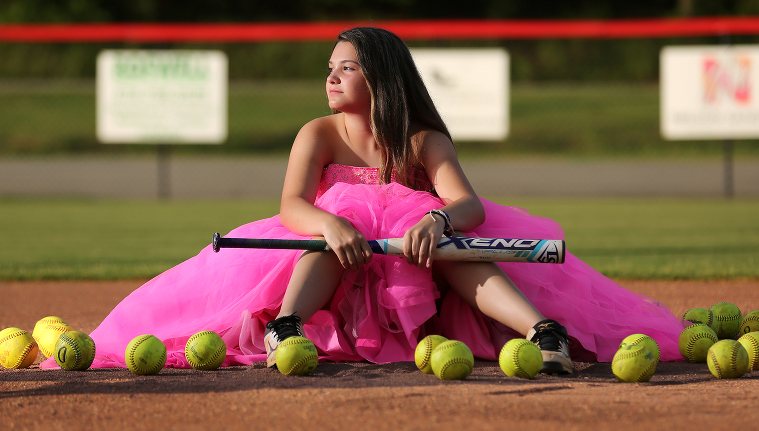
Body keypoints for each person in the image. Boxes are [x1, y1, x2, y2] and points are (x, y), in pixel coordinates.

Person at [41, 27, 686, 373]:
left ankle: (542, 333)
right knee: (331, 230)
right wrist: (327, 221)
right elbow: (293, 203)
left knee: (458, 249)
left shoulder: (422, 139)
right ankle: (286, 327)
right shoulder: (317, 134)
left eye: (344, 67)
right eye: (330, 65)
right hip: (334, 256)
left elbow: (470, 207)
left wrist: (437, 220)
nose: (330, 76)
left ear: (379, 78)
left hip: (412, 263)